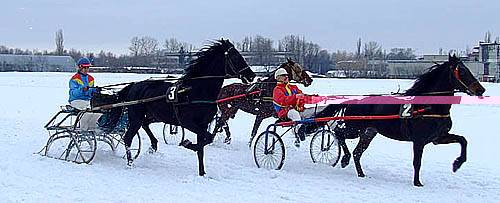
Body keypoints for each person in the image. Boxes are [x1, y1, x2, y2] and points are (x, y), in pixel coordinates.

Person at [272, 68, 317, 146]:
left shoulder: (294, 87)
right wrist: (295, 97)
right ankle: (298, 130)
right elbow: (283, 101)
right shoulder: (277, 89)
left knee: (314, 111)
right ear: (278, 78)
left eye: (287, 75)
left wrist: (313, 98)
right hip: (285, 112)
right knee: (294, 112)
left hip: (298, 110)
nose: (286, 77)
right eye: (283, 76)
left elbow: (302, 96)